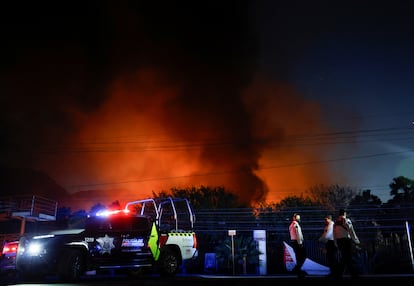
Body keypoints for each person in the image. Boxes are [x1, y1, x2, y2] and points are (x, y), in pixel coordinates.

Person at [333, 208, 360, 278]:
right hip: (346, 241)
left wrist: (335, 243)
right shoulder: (347, 220)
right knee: (348, 257)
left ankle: (339, 273)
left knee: (345, 257)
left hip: (339, 241)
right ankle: (353, 274)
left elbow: (334, 234)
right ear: (345, 213)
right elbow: (351, 231)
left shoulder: (335, 222)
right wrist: (356, 240)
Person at [289, 213, 307, 277]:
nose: (298, 219)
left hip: (294, 242)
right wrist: (300, 243)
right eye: (297, 218)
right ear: (294, 218)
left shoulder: (291, 224)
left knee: (299, 256)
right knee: (303, 256)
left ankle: (297, 270)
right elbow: (298, 234)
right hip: (297, 242)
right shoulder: (295, 224)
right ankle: (297, 269)